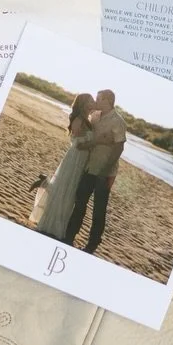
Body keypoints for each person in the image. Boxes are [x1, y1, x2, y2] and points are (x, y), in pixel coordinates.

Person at [65, 88, 126, 254]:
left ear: (107, 101)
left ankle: (92, 244)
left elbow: (119, 147)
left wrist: (105, 171)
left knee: (99, 210)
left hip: (104, 172)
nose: (96, 102)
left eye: (98, 99)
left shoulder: (118, 121)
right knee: (80, 203)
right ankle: (69, 236)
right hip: (89, 166)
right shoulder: (95, 116)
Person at [34, 93, 96, 242]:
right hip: (75, 158)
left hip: (82, 161)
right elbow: (77, 142)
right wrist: (92, 143)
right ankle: (52, 225)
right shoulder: (78, 119)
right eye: (90, 100)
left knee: (70, 190)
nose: (93, 102)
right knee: (65, 188)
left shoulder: (88, 120)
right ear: (83, 103)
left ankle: (45, 182)